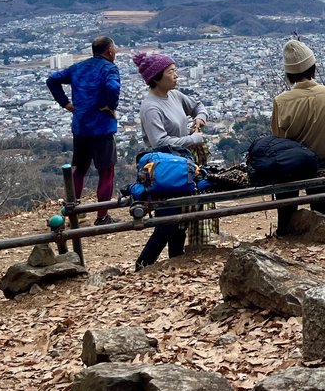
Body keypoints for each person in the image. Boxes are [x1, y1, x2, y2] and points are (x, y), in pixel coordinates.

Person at [132, 51, 210, 270]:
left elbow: (197, 106)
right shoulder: (151, 107)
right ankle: (143, 265)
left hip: (183, 164)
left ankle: (177, 257)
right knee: (167, 221)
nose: (176, 75)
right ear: (156, 77)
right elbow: (160, 142)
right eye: (171, 72)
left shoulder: (175, 95)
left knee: (181, 219)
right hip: (165, 168)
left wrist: (199, 118)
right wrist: (192, 139)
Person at [270, 38, 325, 234]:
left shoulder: (281, 101)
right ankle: (323, 226)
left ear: (289, 74)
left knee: (285, 186)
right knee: (321, 205)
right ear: (313, 67)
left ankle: (284, 229)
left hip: (292, 168)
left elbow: (277, 138)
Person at [46, 35, 121, 226]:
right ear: (109, 51)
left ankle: (74, 211)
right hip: (102, 128)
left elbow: (52, 80)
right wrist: (111, 106)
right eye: (114, 49)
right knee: (106, 172)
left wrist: (65, 104)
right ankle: (102, 216)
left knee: (79, 170)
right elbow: (112, 87)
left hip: (81, 127)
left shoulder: (78, 67)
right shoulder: (109, 68)